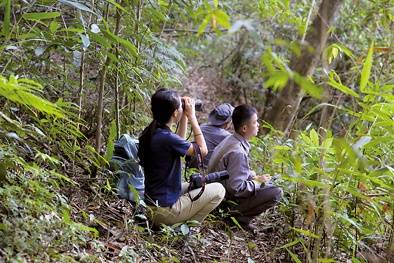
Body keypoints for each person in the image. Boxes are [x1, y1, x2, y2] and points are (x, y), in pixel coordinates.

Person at [138, 88, 225, 226]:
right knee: (219, 190)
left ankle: (179, 221)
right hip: (164, 212)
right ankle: (187, 228)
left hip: (153, 204)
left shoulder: (153, 132)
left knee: (195, 186)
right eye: (180, 107)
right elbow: (202, 151)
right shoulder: (166, 138)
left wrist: (183, 116)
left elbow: (179, 143)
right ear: (174, 113)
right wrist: (192, 117)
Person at [208, 104, 282, 232]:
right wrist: (257, 182)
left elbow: (231, 172)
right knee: (276, 192)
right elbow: (237, 189)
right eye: (255, 122)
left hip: (214, 193)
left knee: (267, 183)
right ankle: (233, 218)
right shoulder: (238, 152)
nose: (258, 124)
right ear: (244, 128)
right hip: (222, 203)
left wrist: (252, 176)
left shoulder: (230, 139)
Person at [200, 103, 234, 168]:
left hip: (192, 167)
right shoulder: (226, 137)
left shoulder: (202, 127)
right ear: (227, 122)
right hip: (208, 173)